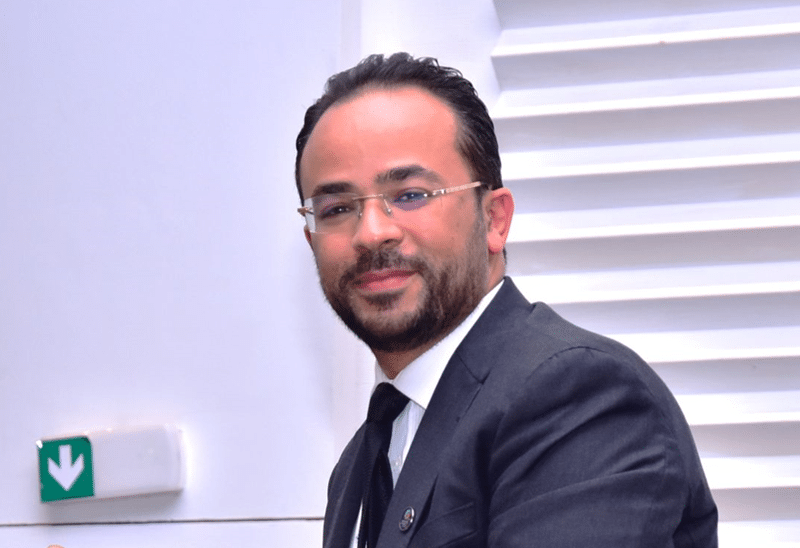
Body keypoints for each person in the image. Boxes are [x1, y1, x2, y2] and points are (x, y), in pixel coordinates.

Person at [295, 52, 718, 548]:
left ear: (494, 219)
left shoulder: (576, 395)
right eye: (337, 208)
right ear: (312, 240)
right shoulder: (361, 464)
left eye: (410, 195)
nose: (371, 232)